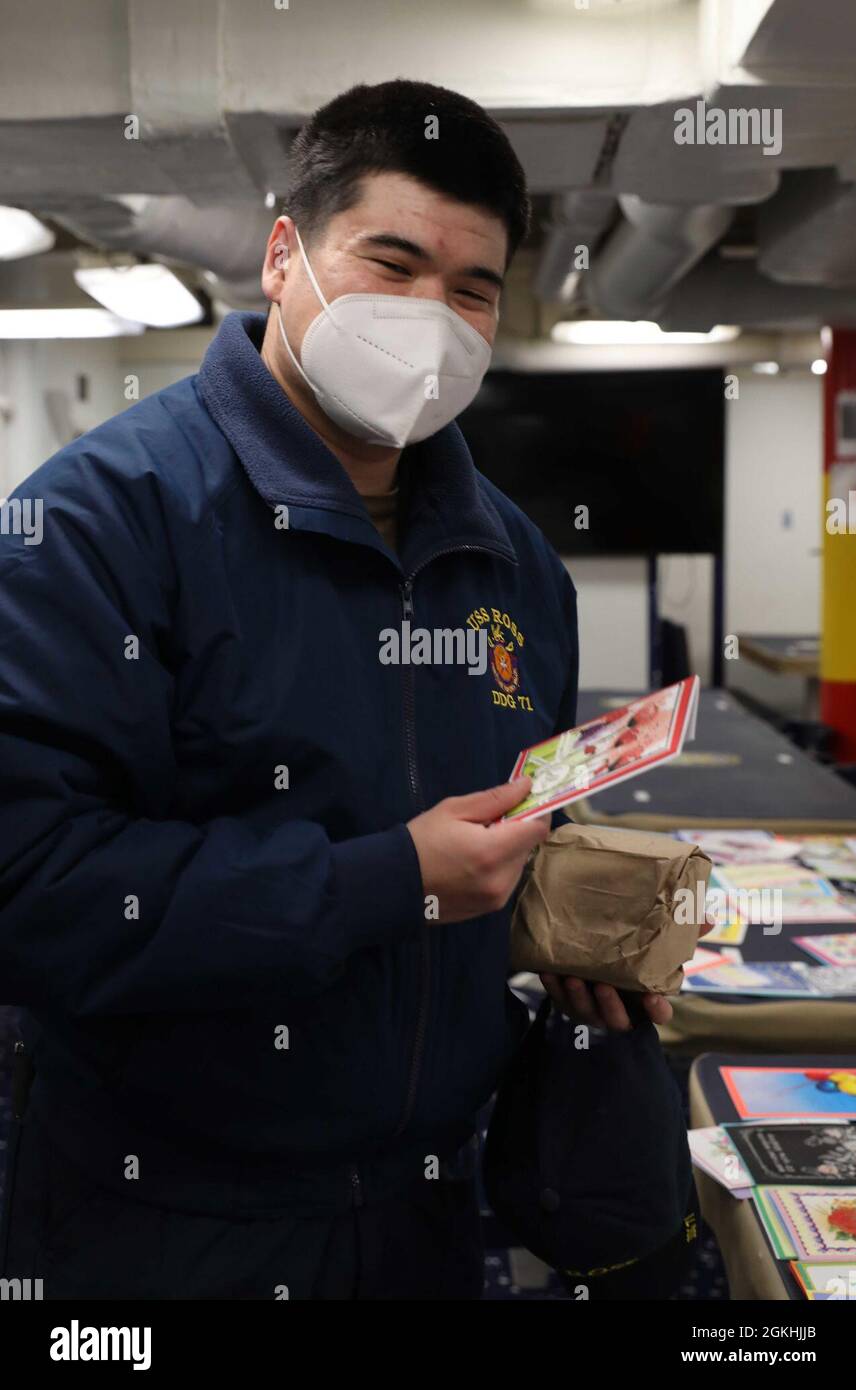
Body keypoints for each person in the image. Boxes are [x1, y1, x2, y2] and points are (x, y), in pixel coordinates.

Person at [0, 79, 673, 1301]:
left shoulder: (511, 561)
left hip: (426, 1215)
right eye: (392, 261)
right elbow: (32, 888)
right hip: (162, 1226)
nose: (434, 314)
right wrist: (387, 879)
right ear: (282, 258)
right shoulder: (98, 527)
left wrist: (587, 920)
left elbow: (514, 824)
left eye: (472, 287)